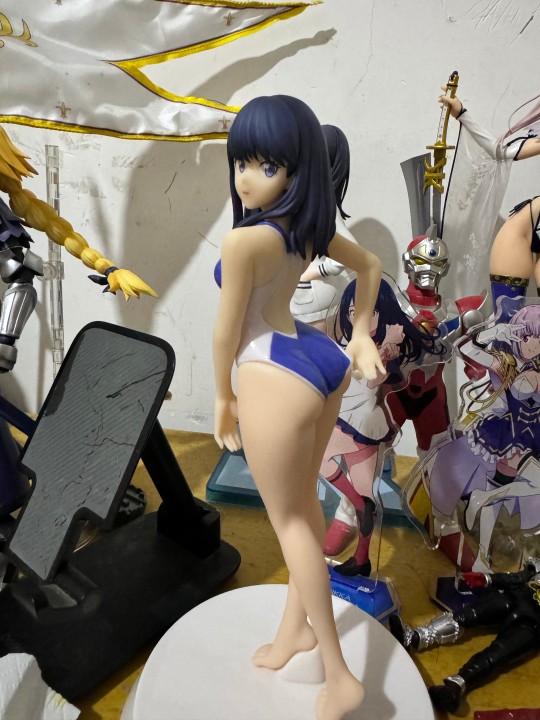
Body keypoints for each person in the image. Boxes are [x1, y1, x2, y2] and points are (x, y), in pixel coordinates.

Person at [212, 95, 383, 720]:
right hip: (318, 360)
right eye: (241, 163)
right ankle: (295, 631)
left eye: (266, 166)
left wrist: (223, 396)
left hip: (272, 371)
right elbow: (371, 264)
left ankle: (339, 676)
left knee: (288, 522)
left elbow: (225, 334)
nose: (246, 178)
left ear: (296, 169)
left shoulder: (244, 241)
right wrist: (356, 334)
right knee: (306, 509)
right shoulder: (305, 227)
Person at [321, 276, 446, 575]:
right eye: (353, 312)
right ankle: (356, 512)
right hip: (347, 417)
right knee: (334, 470)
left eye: (369, 312)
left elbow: (374, 379)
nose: (360, 319)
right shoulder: (351, 343)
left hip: (365, 422)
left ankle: (362, 552)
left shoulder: (389, 349)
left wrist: (390, 346)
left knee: (336, 467)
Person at [389, 558, 540, 713]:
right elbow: (516, 578)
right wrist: (487, 578)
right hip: (512, 598)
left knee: (499, 653)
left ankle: (456, 686)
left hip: (533, 624)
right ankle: (416, 636)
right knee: (467, 615)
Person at [439, 92, 540, 304]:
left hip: (530, 223)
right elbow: (499, 151)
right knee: (506, 319)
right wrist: (462, 114)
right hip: (525, 225)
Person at [290, 124, 356, 335]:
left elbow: (350, 251)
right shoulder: (309, 199)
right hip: (305, 295)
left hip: (311, 296)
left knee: (313, 352)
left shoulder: (320, 203)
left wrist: (310, 274)